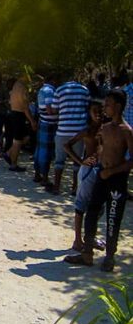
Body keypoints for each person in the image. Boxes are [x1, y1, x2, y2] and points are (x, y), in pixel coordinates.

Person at [66, 90, 133, 271]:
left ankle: (109, 257)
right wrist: (97, 160)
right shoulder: (105, 128)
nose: (105, 108)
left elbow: (131, 161)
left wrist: (111, 171)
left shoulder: (126, 131)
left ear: (118, 106)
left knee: (113, 217)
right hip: (101, 175)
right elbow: (102, 148)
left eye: (108, 104)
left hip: (116, 179)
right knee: (92, 212)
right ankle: (87, 252)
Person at [64, 102, 103, 251]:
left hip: (101, 170)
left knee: (98, 207)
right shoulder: (88, 131)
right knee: (81, 206)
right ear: (89, 113)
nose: (98, 114)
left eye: (100, 111)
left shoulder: (105, 130)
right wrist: (81, 161)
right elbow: (67, 145)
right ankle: (78, 240)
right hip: (88, 170)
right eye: (95, 111)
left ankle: (90, 237)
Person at [47, 77, 91, 193]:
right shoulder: (84, 90)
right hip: (79, 131)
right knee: (77, 161)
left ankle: (57, 187)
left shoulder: (59, 90)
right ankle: (75, 188)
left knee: (59, 161)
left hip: (63, 130)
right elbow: (87, 107)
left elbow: (55, 110)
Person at [3, 76, 35, 172]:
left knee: (25, 137)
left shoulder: (16, 86)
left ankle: (9, 153)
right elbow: (25, 107)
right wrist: (32, 121)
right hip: (18, 114)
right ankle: (13, 164)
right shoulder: (21, 88)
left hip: (14, 113)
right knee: (18, 140)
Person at [33, 76, 58, 186]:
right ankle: (45, 177)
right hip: (49, 124)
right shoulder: (49, 91)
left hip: (42, 121)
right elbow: (49, 109)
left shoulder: (42, 90)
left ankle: (37, 174)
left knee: (39, 150)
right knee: (46, 151)